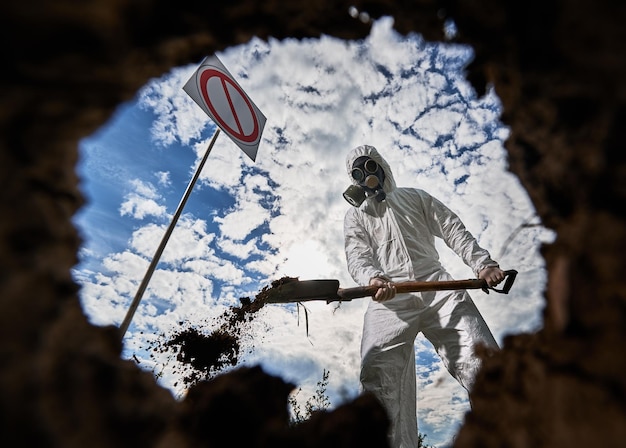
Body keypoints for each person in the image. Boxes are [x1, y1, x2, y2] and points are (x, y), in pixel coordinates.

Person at [342, 145, 505, 448]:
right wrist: (372, 278)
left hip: (437, 288)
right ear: (353, 179)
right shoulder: (356, 217)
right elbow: (357, 255)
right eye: (358, 171)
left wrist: (482, 264)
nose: (366, 174)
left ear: (381, 166)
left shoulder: (414, 197)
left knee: (483, 360)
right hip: (389, 299)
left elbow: (451, 226)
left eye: (370, 165)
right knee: (377, 374)